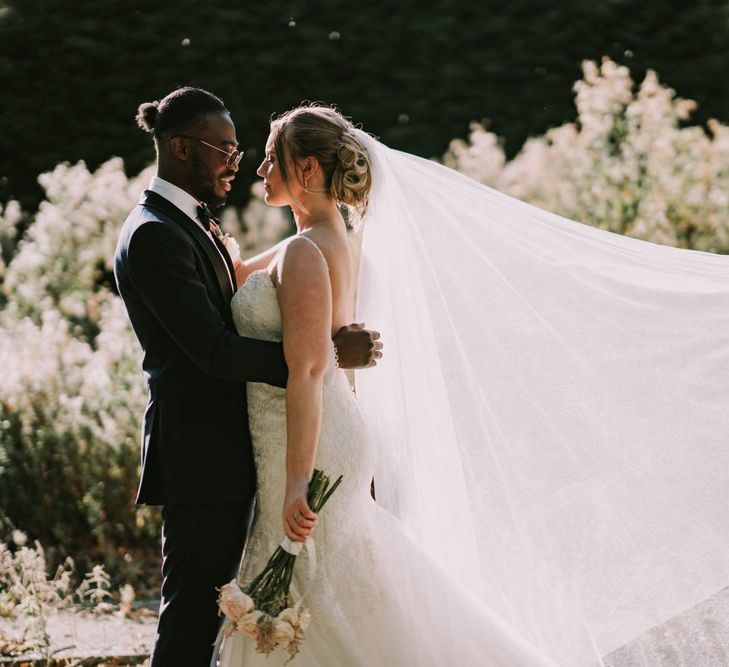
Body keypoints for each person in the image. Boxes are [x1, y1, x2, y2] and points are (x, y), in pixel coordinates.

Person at [216, 103, 729, 666]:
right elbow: (249, 283)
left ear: (308, 171)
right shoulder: (325, 241)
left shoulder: (306, 251)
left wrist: (297, 481)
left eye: (271, 159)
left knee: (322, 580)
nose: (260, 170)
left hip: (307, 447)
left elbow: (311, 370)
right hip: (319, 436)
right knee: (343, 581)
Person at [113, 88, 381, 666]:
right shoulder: (155, 232)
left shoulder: (195, 225)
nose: (242, 164)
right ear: (181, 149)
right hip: (203, 455)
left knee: (274, 604)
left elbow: (259, 299)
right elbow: (213, 350)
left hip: (269, 445)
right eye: (228, 150)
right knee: (194, 612)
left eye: (252, 153)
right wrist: (330, 355)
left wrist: (325, 358)